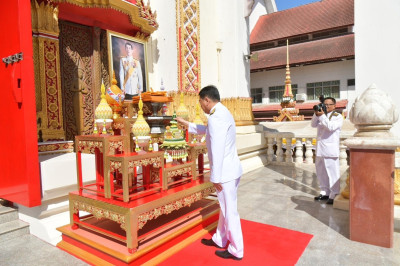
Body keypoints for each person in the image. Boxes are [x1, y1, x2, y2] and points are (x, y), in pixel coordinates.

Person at [176, 85, 244, 261]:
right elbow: (209, 131)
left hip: (225, 173)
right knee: (225, 208)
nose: (200, 106)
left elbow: (217, 147)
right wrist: (188, 125)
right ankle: (220, 239)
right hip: (230, 169)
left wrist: (215, 177)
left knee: (230, 211)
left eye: (200, 102)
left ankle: (237, 249)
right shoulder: (221, 112)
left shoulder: (216, 117)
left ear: (207, 100)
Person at [311, 96, 343, 205]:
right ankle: (325, 192)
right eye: (325, 104)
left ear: (334, 106)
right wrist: (316, 113)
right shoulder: (321, 115)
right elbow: (313, 124)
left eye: (329, 104)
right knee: (321, 172)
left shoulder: (337, 116)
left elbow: (330, 127)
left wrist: (322, 116)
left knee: (332, 172)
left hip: (330, 149)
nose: (327, 106)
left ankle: (334, 193)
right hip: (320, 148)